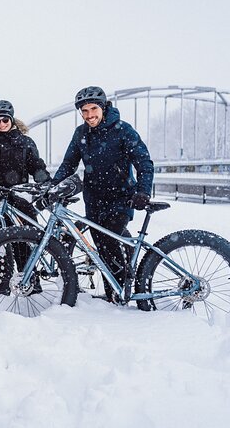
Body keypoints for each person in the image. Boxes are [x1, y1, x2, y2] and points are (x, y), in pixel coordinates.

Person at [53, 86, 154, 302]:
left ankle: (119, 294)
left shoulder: (123, 130)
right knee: (102, 245)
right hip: (94, 199)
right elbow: (69, 164)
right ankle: (117, 289)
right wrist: (53, 187)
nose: (89, 115)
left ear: (103, 107)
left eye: (93, 109)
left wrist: (143, 192)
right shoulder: (81, 133)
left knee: (108, 243)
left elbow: (144, 162)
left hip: (121, 197)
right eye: (84, 111)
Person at [0, 99, 50, 220]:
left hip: (19, 197)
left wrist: (46, 182)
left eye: (5, 120)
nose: (2, 124)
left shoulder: (25, 142)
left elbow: (36, 166)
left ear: (11, 119)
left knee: (28, 234)